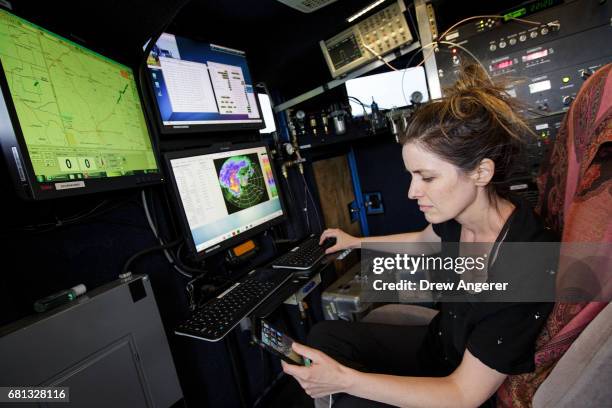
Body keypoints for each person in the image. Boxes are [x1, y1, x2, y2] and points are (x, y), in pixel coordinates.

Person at [281, 64, 556, 408]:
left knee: (349, 397)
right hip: (437, 346)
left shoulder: (526, 264)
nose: (412, 192)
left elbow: (463, 394)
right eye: (412, 175)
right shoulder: (462, 214)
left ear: (481, 172)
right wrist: (355, 243)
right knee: (325, 335)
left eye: (426, 177)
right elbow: (422, 241)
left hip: (456, 384)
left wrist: (345, 380)